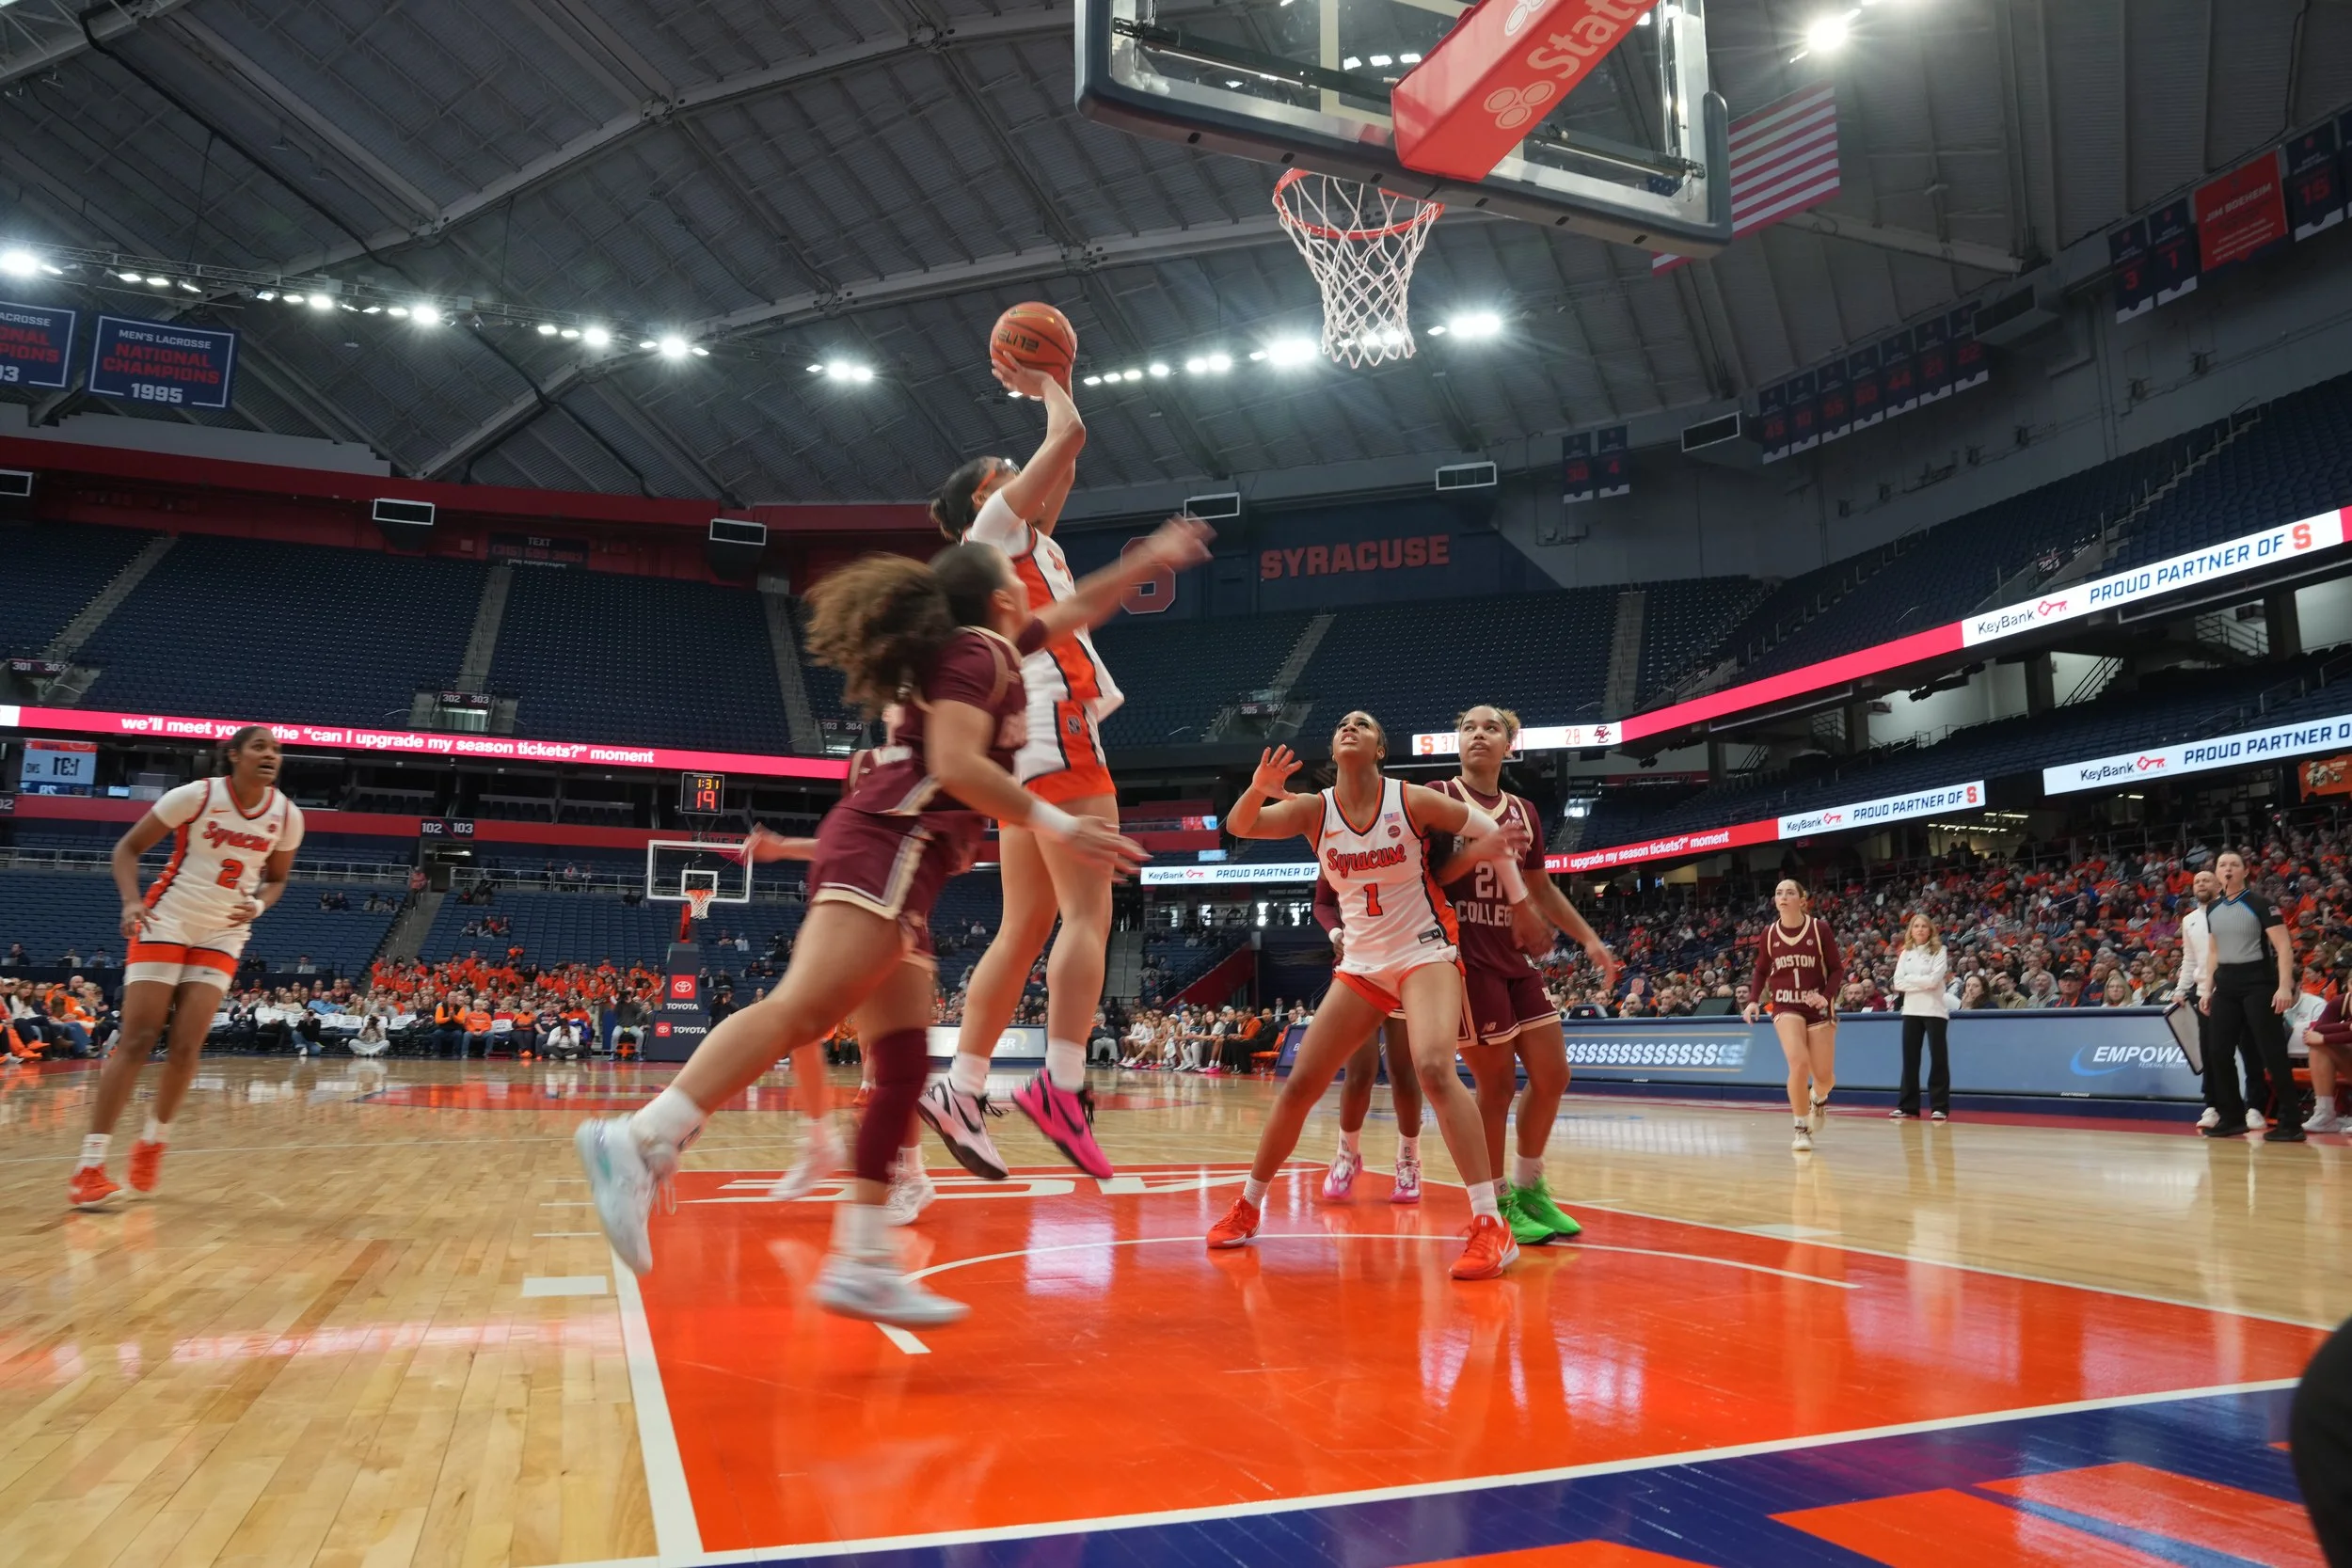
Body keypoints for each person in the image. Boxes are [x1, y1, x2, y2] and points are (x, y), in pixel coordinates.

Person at [574, 528, 1200, 1327]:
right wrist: (1060, 823)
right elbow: (960, 763)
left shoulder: (989, 645)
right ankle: (640, 1138)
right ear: (1007, 598)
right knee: (801, 1010)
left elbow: (1079, 604)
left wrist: (1147, 562)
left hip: (899, 850)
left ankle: (863, 1259)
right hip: (892, 844)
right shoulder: (984, 655)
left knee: (902, 1063)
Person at [1204, 718, 1524, 1279]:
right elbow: (1240, 825)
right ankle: (1249, 1205)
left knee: (1430, 1067)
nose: (1350, 727)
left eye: (1364, 725)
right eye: (1342, 724)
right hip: (1362, 965)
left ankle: (1490, 1223)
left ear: (1380, 747)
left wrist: (1507, 876)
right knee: (1302, 1082)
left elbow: (1486, 827)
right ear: (1334, 745)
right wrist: (1258, 785)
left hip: (1426, 951)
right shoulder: (1314, 810)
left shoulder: (1411, 799)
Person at [928, 362, 1137, 1184]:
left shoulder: (1021, 540)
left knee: (1024, 929)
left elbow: (1068, 458)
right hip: (1057, 722)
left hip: (1030, 735)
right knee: (1091, 914)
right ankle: (1062, 1084)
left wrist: (1059, 383)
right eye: (1007, 475)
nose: (1025, 477)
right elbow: (1070, 436)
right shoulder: (991, 532)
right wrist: (1048, 378)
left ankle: (964, 1087)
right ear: (984, 497)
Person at [69, 726, 305, 1209]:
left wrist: (258, 908)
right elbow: (127, 849)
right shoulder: (196, 796)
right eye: (260, 747)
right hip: (166, 918)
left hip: (224, 932)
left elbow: (277, 880)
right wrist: (131, 903)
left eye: (276, 750)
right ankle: (89, 1166)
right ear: (234, 755)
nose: (270, 755)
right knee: (137, 1038)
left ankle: (153, 1142)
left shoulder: (287, 816)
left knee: (186, 1045)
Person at [1427, 704, 1621, 1245]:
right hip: (1465, 959)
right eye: (1467, 726)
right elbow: (1435, 873)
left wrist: (1589, 939)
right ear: (1457, 741)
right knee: (1494, 1087)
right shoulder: (1440, 797)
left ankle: (1530, 1184)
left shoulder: (1524, 810)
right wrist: (1478, 851)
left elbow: (1540, 888)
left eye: (1491, 728)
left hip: (1514, 959)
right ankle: (1499, 1200)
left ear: (1510, 745)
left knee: (1553, 1074)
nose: (1479, 735)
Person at [2197, 850, 2307, 1142]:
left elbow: (2284, 948)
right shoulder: (2213, 909)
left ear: (2245, 871)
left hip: (2259, 981)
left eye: (2234, 864)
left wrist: (2284, 987)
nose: (2228, 869)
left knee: (2270, 1051)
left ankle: (2291, 1122)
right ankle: (2232, 1117)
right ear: (2217, 873)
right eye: (2223, 865)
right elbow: (2213, 952)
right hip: (2226, 985)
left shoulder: (2261, 904)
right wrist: (2207, 989)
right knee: (2218, 1051)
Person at [1743, 879, 1840, 1152]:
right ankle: (1801, 1128)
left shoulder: (1819, 929)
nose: (1783, 897)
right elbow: (1761, 970)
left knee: (1825, 1077)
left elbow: (1836, 969)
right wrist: (1753, 1001)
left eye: (1789, 892)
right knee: (1798, 1064)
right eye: (1778, 893)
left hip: (1818, 1006)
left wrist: (1827, 996)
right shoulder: (1769, 933)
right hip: (1785, 1005)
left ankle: (1818, 1099)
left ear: (1802, 899)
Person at [1889, 912, 1951, 1120]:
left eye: (1924, 926)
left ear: (1930, 930)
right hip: (1911, 1011)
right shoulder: (1905, 952)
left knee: (1938, 1059)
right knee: (1910, 1059)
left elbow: (1934, 980)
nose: (1920, 929)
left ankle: (1939, 1106)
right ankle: (1908, 1106)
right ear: (1911, 931)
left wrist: (1911, 980)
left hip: (1934, 1010)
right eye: (1916, 926)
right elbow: (1898, 983)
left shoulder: (1940, 951)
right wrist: (1920, 981)